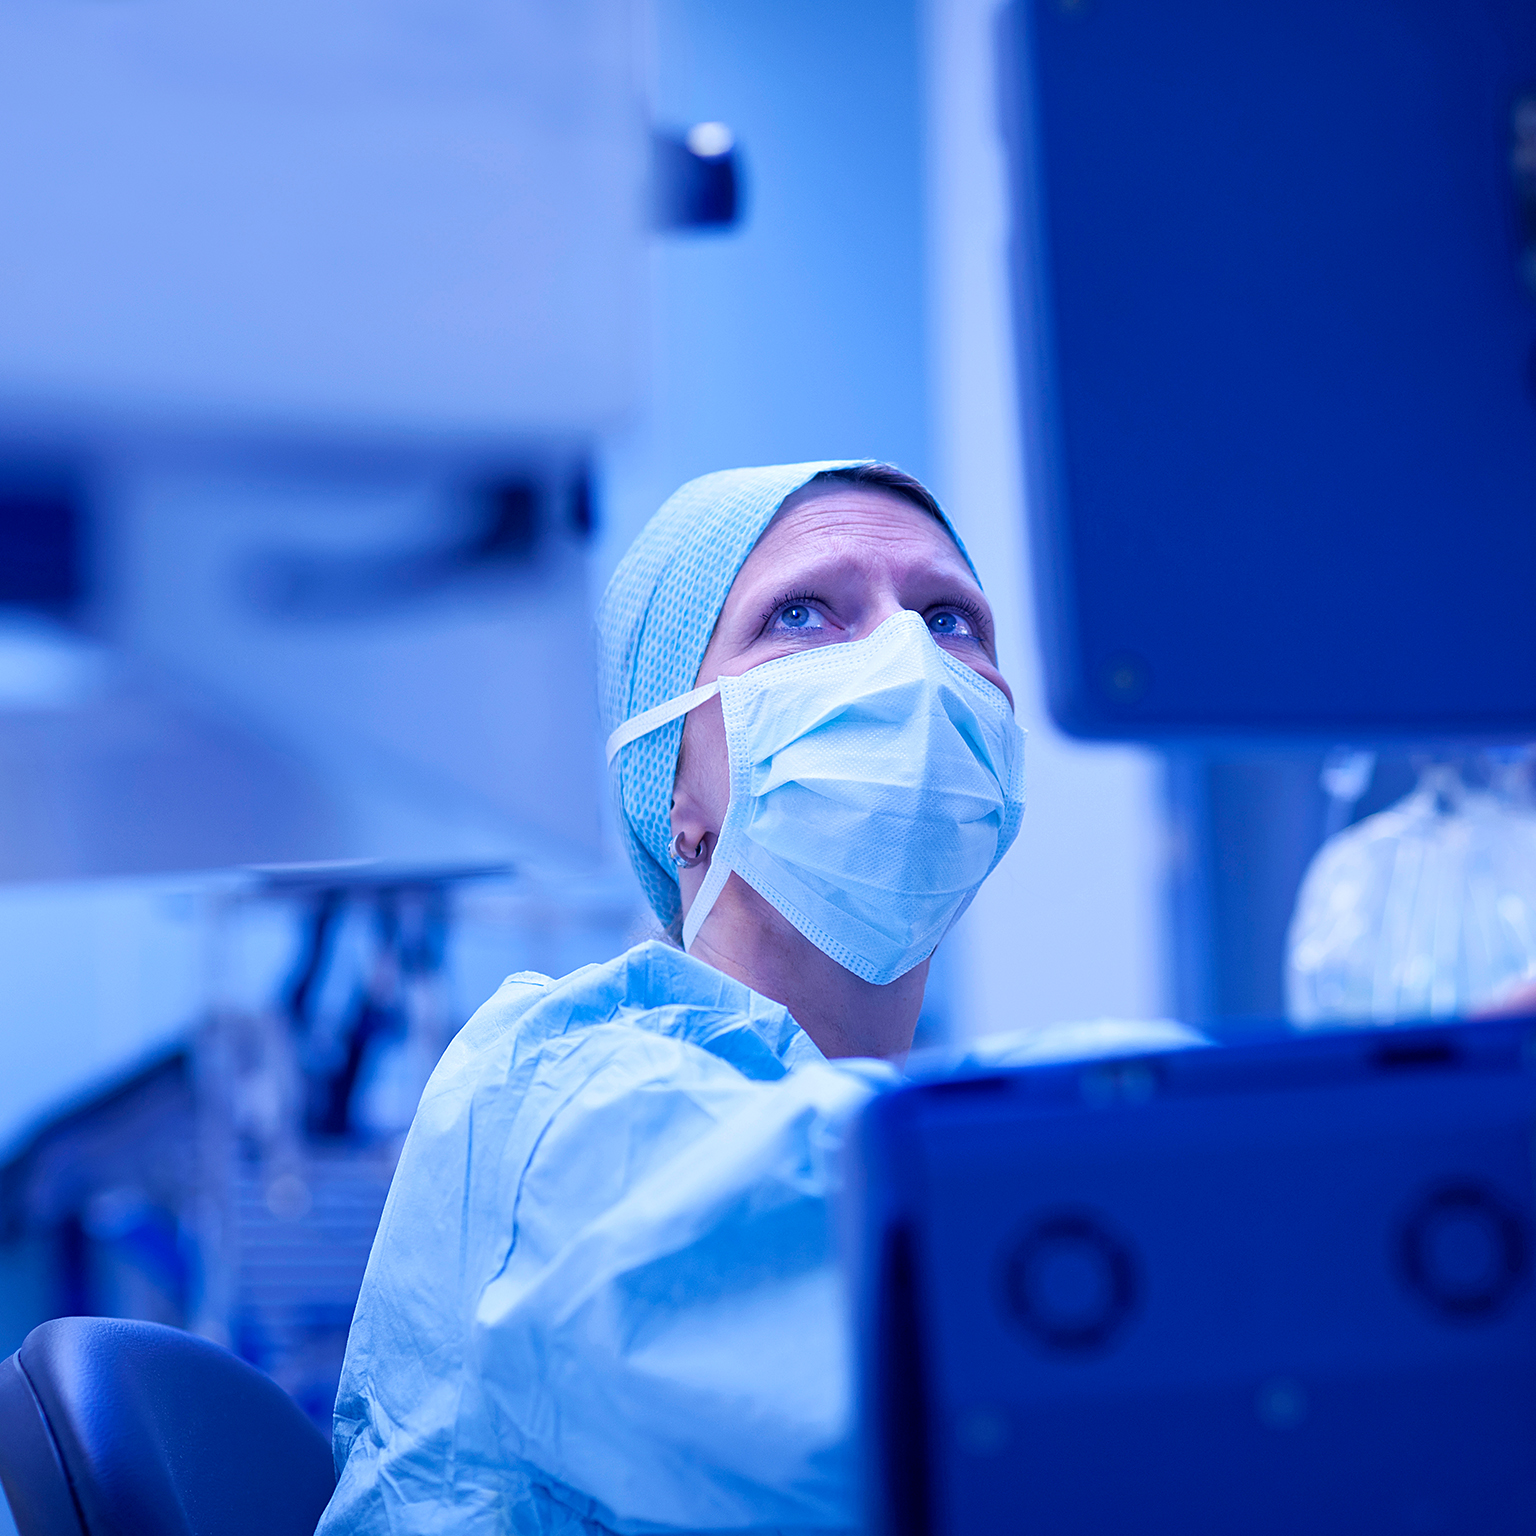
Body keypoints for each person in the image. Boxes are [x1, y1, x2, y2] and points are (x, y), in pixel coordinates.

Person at [317, 460, 1188, 1536]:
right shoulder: (565, 1088)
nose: (909, 665)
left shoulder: (887, 1108)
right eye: (805, 614)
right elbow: (950, 1388)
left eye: (951, 619)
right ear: (673, 786)